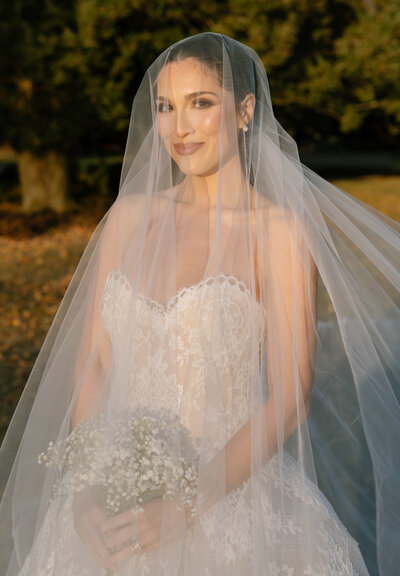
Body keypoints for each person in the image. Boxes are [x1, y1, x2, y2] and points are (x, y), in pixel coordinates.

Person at [1, 32, 399, 576]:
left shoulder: (278, 232)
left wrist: (188, 502)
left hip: (231, 491)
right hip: (116, 497)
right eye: (166, 107)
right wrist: (91, 485)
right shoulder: (128, 219)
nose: (179, 127)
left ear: (244, 111)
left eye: (200, 104)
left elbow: (289, 394)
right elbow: (94, 361)